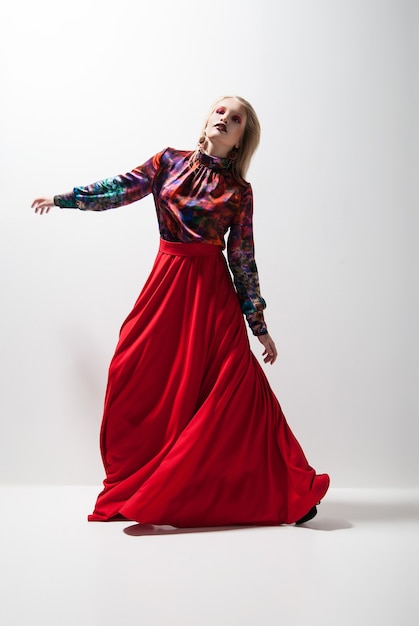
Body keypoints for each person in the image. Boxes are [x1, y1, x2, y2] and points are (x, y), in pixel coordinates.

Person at [32, 96, 329, 527]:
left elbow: (242, 257)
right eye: (220, 112)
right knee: (131, 373)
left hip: (212, 298)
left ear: (243, 137)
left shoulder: (239, 193)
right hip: (168, 287)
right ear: (208, 119)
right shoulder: (168, 162)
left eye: (237, 118)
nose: (225, 119)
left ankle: (292, 489)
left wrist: (258, 324)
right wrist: (65, 199)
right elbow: (120, 188)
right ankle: (137, 484)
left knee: (238, 391)